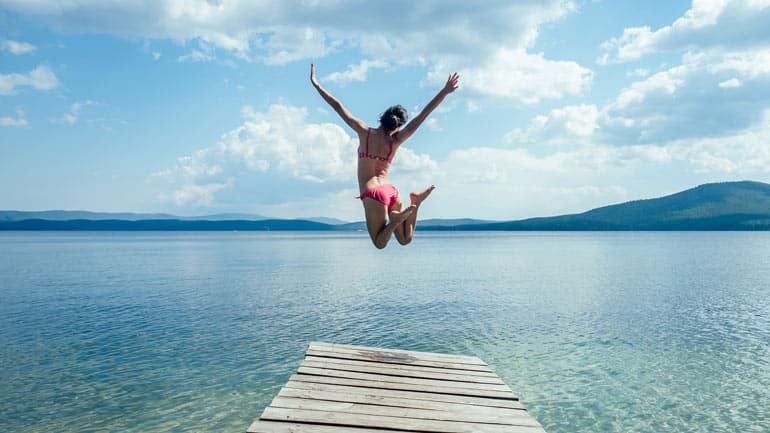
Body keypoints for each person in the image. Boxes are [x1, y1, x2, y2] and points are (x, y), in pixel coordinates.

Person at [310, 64, 459, 249]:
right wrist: (444, 92)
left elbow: (337, 106)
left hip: (373, 192)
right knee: (405, 240)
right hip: (391, 191)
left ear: (382, 118)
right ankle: (416, 203)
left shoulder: (364, 132)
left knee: (380, 243)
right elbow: (423, 115)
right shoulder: (396, 140)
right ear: (398, 125)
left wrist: (316, 84)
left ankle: (395, 220)